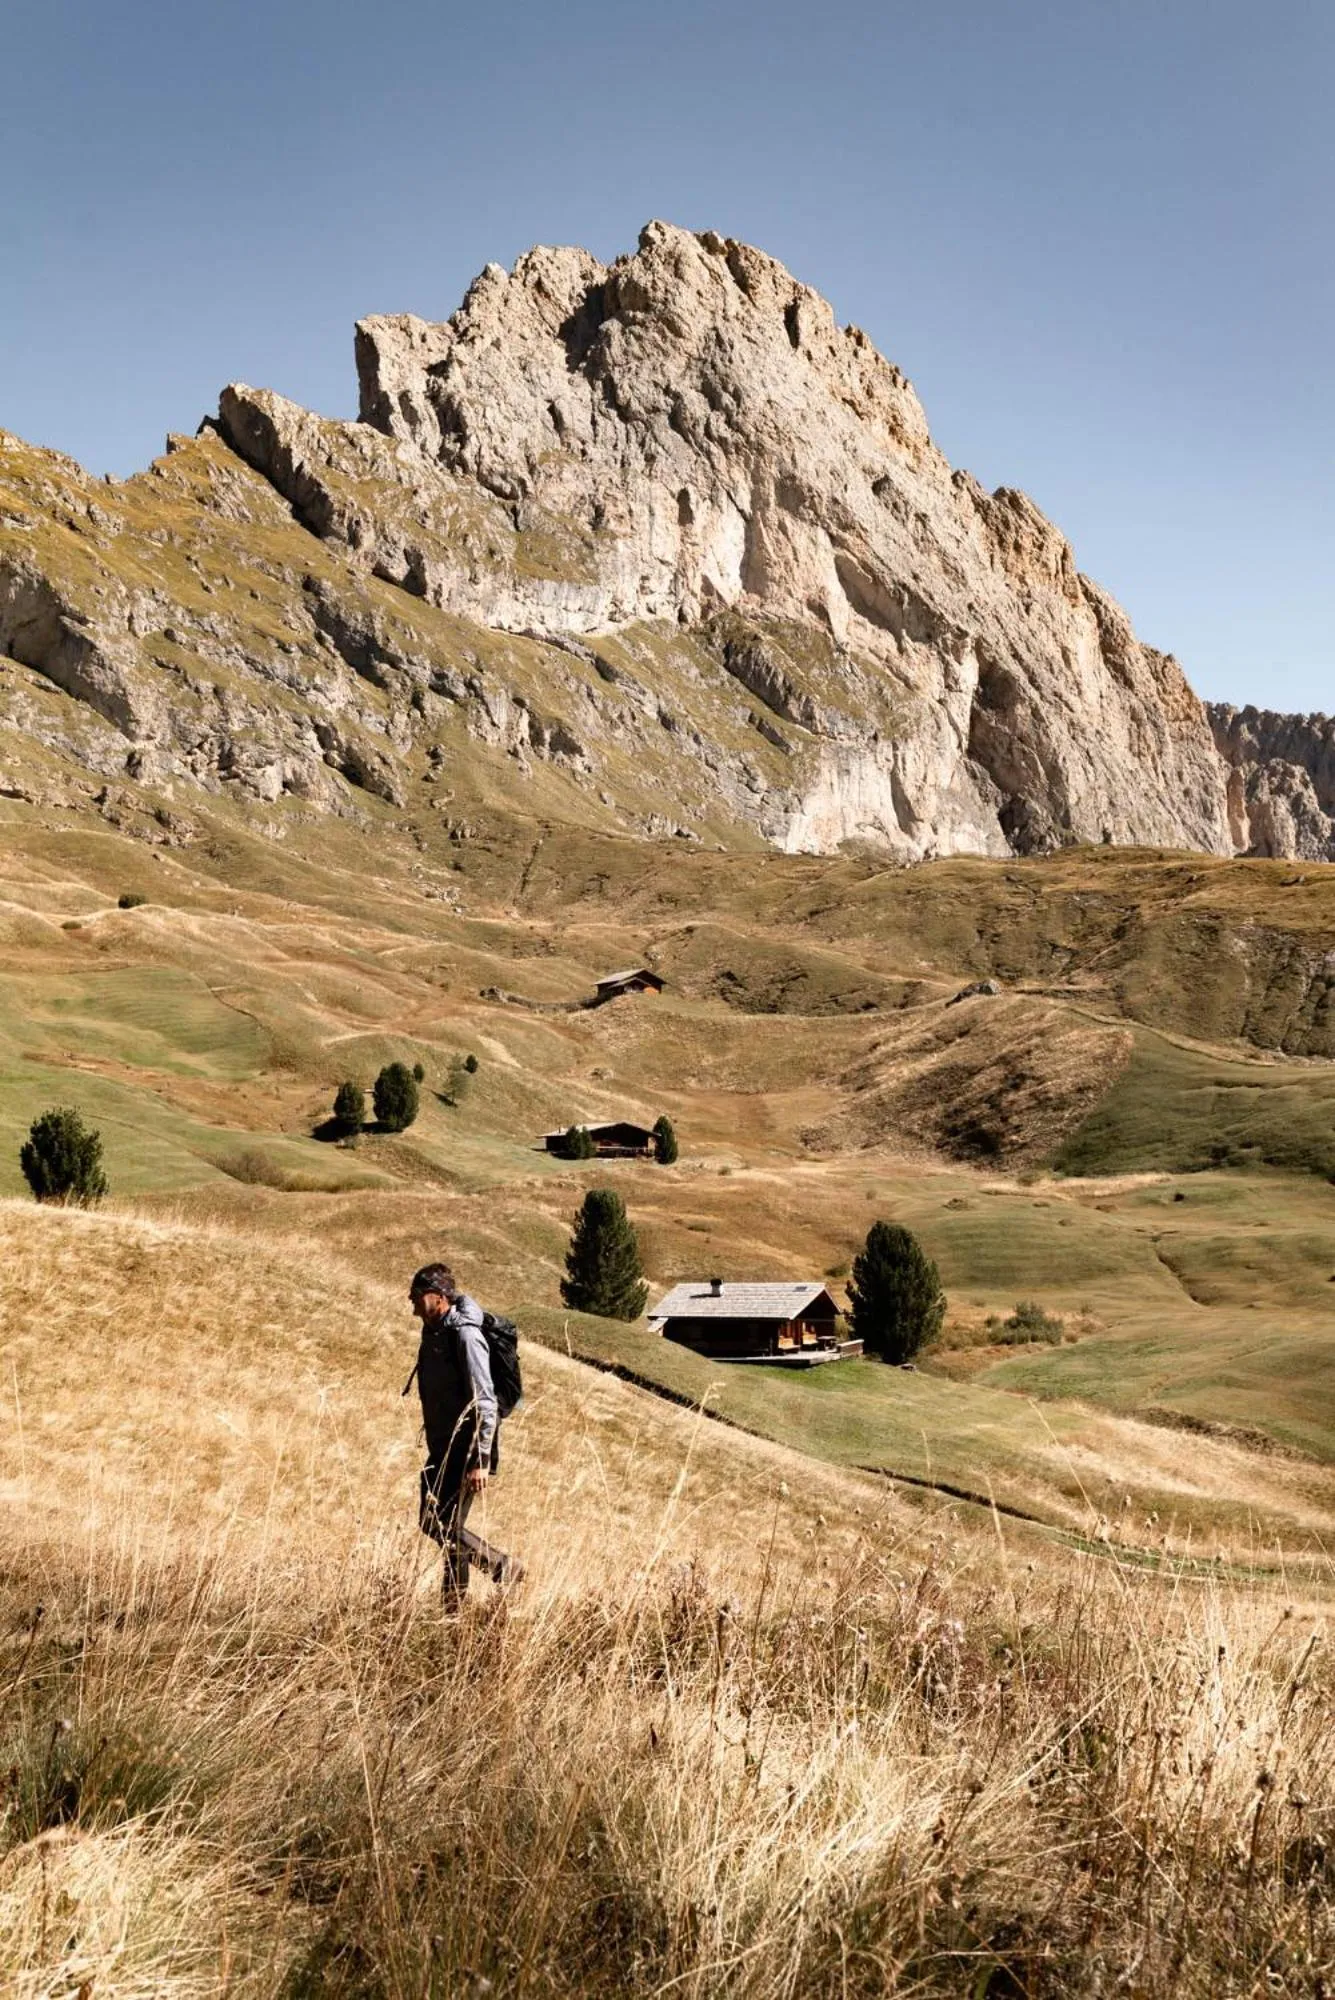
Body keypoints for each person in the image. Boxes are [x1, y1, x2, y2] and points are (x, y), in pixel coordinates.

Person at [407, 1262, 522, 1606]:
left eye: (417, 1294)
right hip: (443, 1446)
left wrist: (481, 1459)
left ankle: (500, 1568)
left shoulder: (466, 1336)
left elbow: (485, 1400)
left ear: (438, 1297)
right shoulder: (435, 1331)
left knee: (443, 1524)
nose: (411, 1300)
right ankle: (454, 1608)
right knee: (438, 1523)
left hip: (467, 1449)